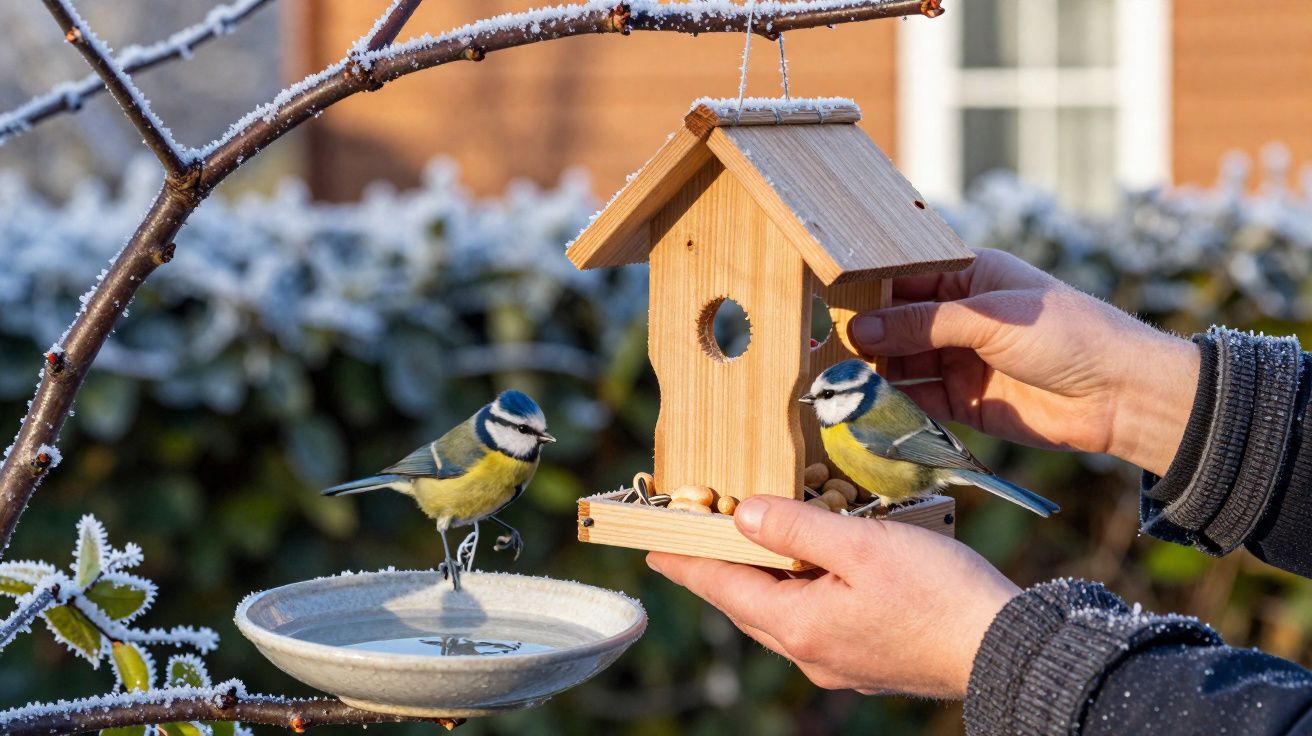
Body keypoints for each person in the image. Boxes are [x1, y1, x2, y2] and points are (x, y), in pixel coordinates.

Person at [647, 249, 1312, 735]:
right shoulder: (866, 414)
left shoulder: (858, 432)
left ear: (853, 399)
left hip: (926, 467)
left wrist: (974, 640)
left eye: (826, 394)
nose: (813, 399)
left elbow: (923, 452)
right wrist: (1148, 398)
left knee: (887, 486)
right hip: (941, 455)